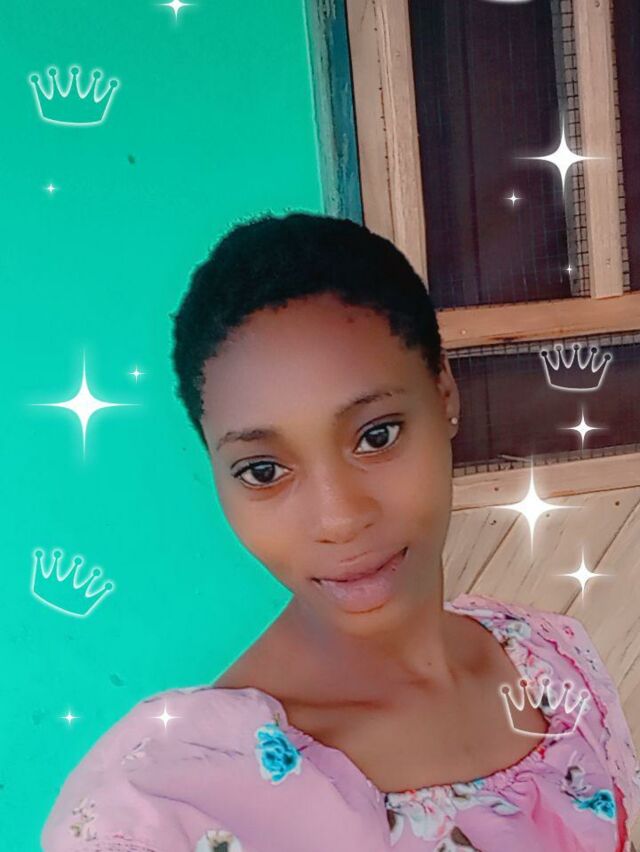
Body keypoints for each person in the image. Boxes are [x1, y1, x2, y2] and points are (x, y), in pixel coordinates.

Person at [41, 212, 640, 851]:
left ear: (444, 393)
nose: (339, 519)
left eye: (376, 435)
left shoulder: (551, 660)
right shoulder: (166, 803)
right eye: (263, 471)